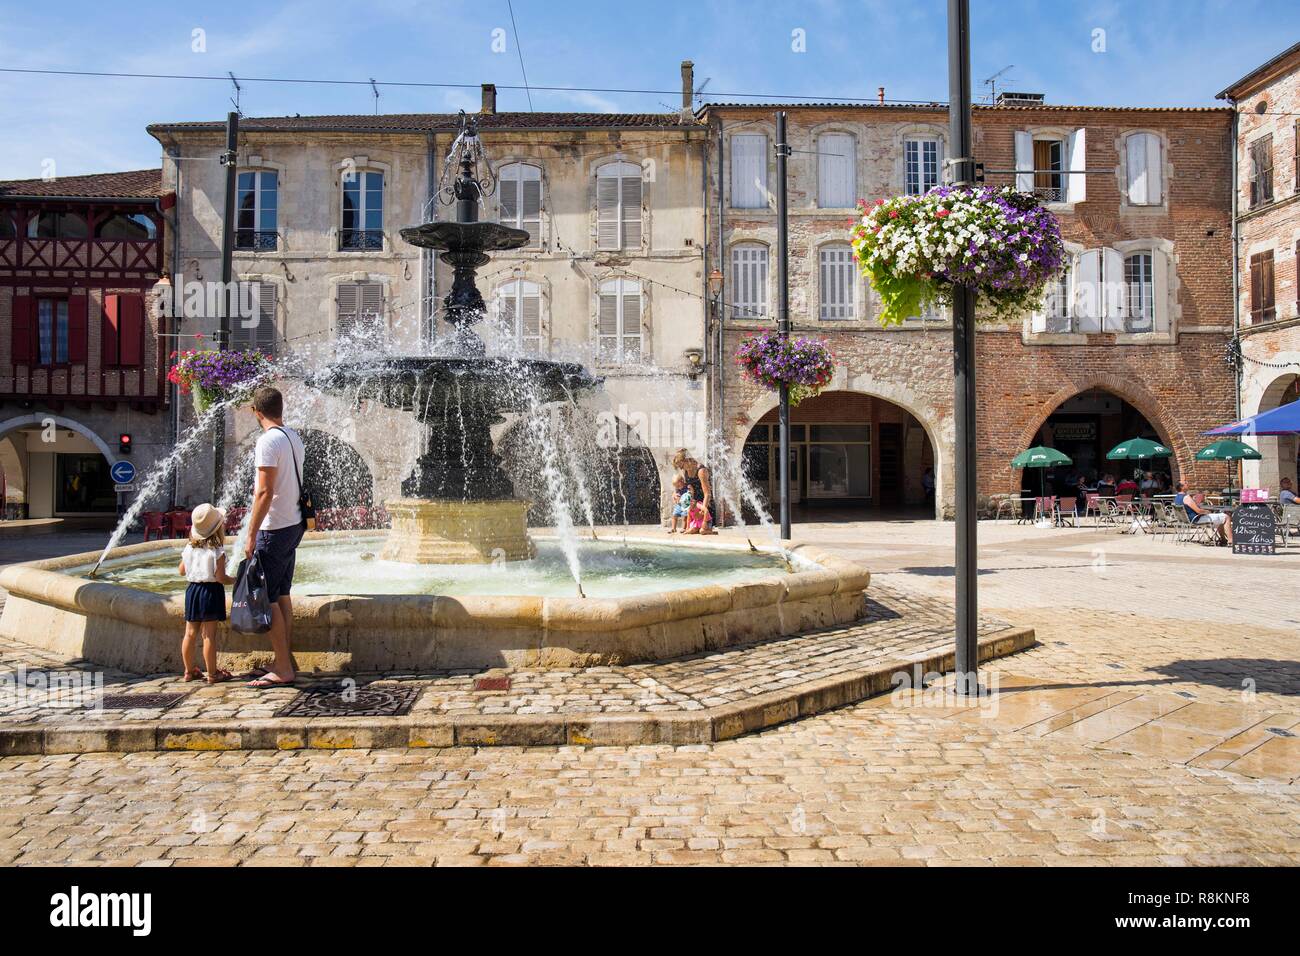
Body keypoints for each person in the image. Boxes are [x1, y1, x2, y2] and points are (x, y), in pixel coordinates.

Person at [244, 386, 306, 689]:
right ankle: (284, 659)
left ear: (257, 412)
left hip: (275, 528)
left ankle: (283, 668)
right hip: (294, 524)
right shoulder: (293, 437)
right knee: (282, 594)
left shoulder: (267, 441)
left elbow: (264, 492)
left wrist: (251, 534)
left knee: (266, 599)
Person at [178, 503, 235, 684]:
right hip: (210, 592)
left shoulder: (189, 548)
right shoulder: (217, 551)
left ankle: (189, 671)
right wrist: (235, 580)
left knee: (189, 633)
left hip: (192, 590)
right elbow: (220, 577)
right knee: (208, 635)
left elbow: (181, 570)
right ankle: (212, 674)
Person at [671, 449, 716, 534]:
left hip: (704, 506)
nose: (681, 468)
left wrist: (701, 512)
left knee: (702, 531)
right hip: (694, 506)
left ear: (687, 460)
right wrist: (675, 494)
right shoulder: (686, 471)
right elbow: (682, 486)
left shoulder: (701, 471)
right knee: (691, 531)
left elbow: (707, 494)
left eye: (681, 466)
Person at [1174, 481, 1233, 546]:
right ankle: (1231, 541)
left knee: (1219, 518)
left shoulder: (1177, 498)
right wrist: (1207, 511)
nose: (1188, 483)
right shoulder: (1186, 497)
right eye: (1185, 483)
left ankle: (1223, 540)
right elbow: (1198, 511)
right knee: (1226, 517)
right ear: (1182, 487)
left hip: (1187, 520)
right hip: (1196, 519)